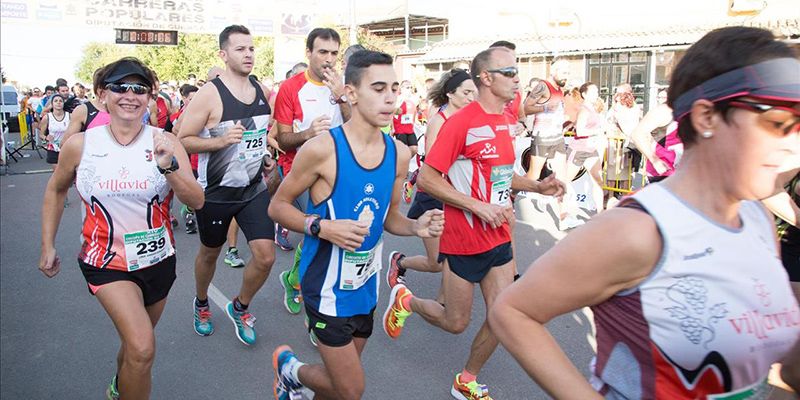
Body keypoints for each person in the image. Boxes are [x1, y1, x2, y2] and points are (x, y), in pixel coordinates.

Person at [490, 26, 800, 399]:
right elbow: (513, 311)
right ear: (707, 118)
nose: (793, 147)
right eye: (777, 124)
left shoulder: (760, 222)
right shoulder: (639, 231)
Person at [382, 47, 565, 400]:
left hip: (499, 234)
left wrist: (536, 185)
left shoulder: (504, 121)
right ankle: (407, 300)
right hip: (464, 236)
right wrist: (477, 207)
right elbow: (428, 179)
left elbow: (500, 175)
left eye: (517, 71)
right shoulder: (460, 123)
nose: (517, 78)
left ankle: (466, 378)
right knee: (455, 322)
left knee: (504, 314)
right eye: (509, 72)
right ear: (486, 78)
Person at [269, 49, 444, 400]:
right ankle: (290, 369)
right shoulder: (322, 149)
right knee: (351, 388)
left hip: (364, 285)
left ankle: (295, 387)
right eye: (378, 88)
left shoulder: (399, 153)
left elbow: (390, 218)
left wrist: (416, 227)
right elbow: (278, 207)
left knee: (337, 385)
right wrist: (322, 227)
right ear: (350, 93)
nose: (391, 97)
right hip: (325, 288)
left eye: (395, 87)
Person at [39, 57, 204, 400]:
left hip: (158, 261)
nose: (130, 95)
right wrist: (47, 245)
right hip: (106, 262)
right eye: (119, 87)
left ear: (150, 97)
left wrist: (169, 166)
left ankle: (121, 384)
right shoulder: (81, 145)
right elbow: (55, 191)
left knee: (135, 348)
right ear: (102, 94)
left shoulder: (166, 141)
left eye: (139, 89)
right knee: (143, 347)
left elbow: (197, 200)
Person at [178, 25, 277, 346]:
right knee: (210, 253)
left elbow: (258, 135)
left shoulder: (260, 89)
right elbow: (182, 141)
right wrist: (220, 142)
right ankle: (202, 302)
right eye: (240, 49)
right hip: (216, 193)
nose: (248, 54)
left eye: (251, 48)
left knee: (265, 257)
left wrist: (264, 155)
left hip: (253, 190)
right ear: (223, 54)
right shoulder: (210, 93)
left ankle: (240, 306)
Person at [274, 27, 349, 316]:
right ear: (309, 53)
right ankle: (316, 308)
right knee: (322, 233)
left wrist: (342, 96)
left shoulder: (344, 86)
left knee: (326, 235)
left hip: (340, 170)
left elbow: (358, 124)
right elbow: (282, 138)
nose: (329, 59)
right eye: (322, 52)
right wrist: (306, 134)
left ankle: (293, 279)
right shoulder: (291, 88)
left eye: (333, 53)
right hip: (302, 171)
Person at [386, 68, 476, 288]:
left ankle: (446, 304)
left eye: (474, 93)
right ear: (450, 94)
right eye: (466, 93)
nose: (471, 98)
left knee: (455, 254)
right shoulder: (439, 121)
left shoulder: (469, 120)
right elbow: (434, 167)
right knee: (436, 262)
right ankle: (400, 262)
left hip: (457, 194)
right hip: (435, 196)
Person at [525, 59, 578, 230]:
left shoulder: (560, 90)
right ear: (553, 70)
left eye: (568, 72)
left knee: (561, 178)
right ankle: (509, 196)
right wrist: (547, 108)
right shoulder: (543, 86)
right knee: (532, 175)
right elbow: (525, 108)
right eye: (563, 72)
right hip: (541, 138)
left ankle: (563, 217)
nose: (566, 76)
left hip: (556, 138)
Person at [566, 82, 607, 213]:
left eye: (597, 91)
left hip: (591, 150)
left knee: (598, 180)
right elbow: (580, 131)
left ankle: (601, 213)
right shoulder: (584, 110)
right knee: (565, 182)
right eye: (593, 92)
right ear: (584, 94)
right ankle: (560, 207)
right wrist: (597, 132)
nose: (596, 95)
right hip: (579, 149)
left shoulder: (593, 109)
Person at [38, 94, 70, 164]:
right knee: (57, 173)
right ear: (52, 104)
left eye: (60, 101)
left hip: (67, 148)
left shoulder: (70, 116)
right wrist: (46, 137)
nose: (58, 102)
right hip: (53, 149)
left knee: (69, 173)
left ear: (63, 103)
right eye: (56, 101)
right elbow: (41, 134)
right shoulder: (47, 117)